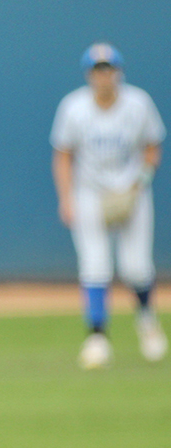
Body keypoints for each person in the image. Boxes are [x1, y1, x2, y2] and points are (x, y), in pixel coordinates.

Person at [51, 42, 167, 368]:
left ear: (119, 72)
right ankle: (97, 338)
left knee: (136, 267)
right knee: (95, 265)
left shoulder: (138, 103)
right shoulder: (73, 107)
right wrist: (66, 198)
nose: (104, 76)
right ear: (89, 75)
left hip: (132, 191)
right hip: (89, 192)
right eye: (98, 70)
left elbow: (153, 147)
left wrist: (140, 182)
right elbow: (62, 156)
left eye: (109, 69)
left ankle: (146, 321)